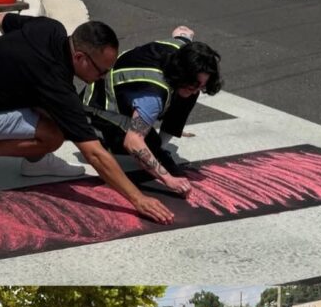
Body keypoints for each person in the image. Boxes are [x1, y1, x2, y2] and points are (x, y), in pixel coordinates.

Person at [0, 15, 174, 224]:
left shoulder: (50, 28)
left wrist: (6, 65)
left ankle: (35, 163)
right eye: (101, 71)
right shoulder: (55, 82)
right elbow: (95, 154)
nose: (103, 78)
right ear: (80, 57)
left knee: (56, 116)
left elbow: (0, 19)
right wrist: (138, 198)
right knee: (54, 134)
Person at [83, 27, 221, 197]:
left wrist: (184, 36)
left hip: (129, 93)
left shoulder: (182, 49)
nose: (197, 89)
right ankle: (100, 135)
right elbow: (133, 142)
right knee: (145, 147)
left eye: (202, 85)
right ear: (181, 73)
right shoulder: (153, 96)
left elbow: (183, 32)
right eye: (194, 84)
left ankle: (159, 147)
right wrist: (169, 179)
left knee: (187, 95)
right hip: (98, 107)